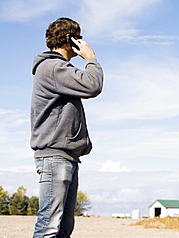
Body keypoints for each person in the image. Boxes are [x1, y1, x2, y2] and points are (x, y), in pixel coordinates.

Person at [30, 17, 103, 237]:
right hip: (55, 156)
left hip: (65, 156)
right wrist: (90, 59)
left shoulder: (58, 70)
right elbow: (93, 84)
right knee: (49, 226)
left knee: (62, 229)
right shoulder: (53, 68)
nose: (82, 42)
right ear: (69, 38)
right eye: (79, 37)